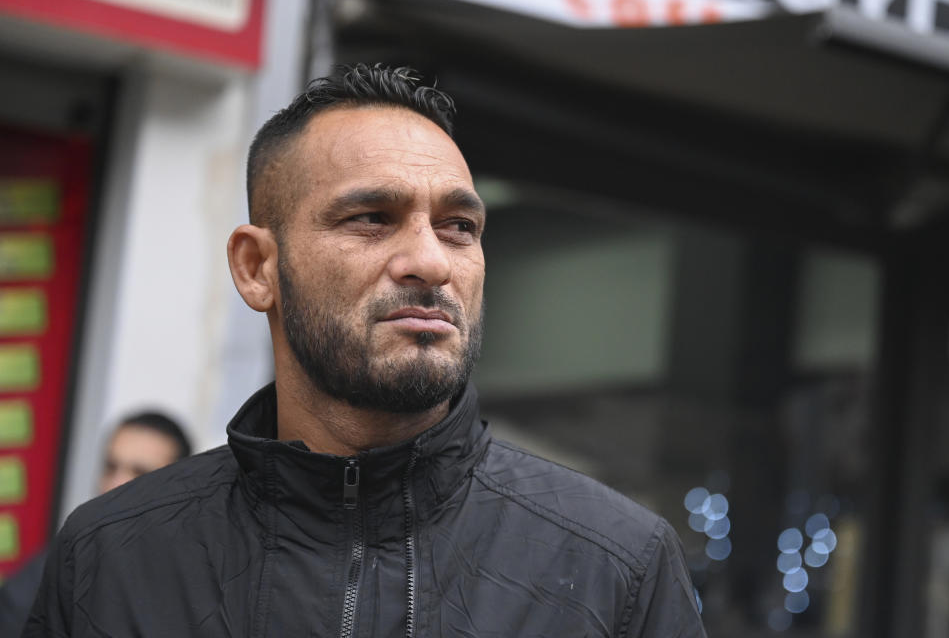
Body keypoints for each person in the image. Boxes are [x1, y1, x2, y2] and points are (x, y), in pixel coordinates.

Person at [25, 64, 707, 637]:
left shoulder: (615, 566)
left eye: (458, 226)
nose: (429, 262)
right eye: (371, 219)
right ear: (258, 268)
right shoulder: (110, 559)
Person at [1, 411, 190, 636]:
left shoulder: (198, 582)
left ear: (180, 488)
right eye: (111, 467)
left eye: (140, 473)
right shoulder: (60, 567)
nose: (117, 484)